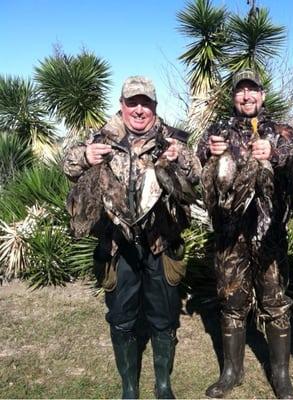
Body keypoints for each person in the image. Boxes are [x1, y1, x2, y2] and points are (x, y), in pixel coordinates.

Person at [63, 76, 201, 399]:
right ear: (122, 105)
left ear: (154, 106)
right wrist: (86, 156)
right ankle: (129, 386)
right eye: (132, 102)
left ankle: (163, 384)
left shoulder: (171, 138)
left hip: (160, 242)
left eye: (146, 103)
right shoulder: (101, 137)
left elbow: (196, 173)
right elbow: (67, 165)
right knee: (122, 317)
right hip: (117, 245)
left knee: (164, 315)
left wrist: (180, 157)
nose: (139, 110)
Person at [196, 68, 293, 399]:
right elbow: (196, 162)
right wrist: (208, 151)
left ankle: (281, 375)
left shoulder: (280, 130)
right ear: (234, 96)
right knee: (231, 301)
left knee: (275, 302)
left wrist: (275, 152)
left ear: (262, 95)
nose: (247, 96)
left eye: (252, 90)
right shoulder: (218, 131)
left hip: (269, 233)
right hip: (230, 235)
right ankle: (231, 371)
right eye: (241, 90)